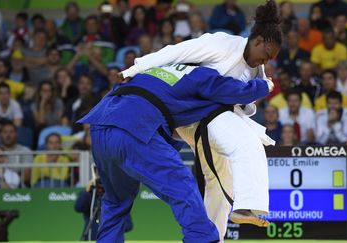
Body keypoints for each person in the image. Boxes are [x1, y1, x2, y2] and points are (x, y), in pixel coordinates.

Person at [117, 1, 282, 239]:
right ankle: (245, 206)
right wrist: (133, 69)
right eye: (266, 56)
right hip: (191, 111)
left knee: (221, 179)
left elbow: (245, 105)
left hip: (213, 118)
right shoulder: (220, 44)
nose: (265, 63)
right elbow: (174, 52)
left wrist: (254, 94)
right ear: (257, 41)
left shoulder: (258, 71)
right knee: (246, 144)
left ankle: (212, 237)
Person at [78, 64, 272, 243]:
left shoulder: (151, 68)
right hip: (136, 127)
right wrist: (264, 85)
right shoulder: (199, 72)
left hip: (100, 125)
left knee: (115, 201)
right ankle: (203, 239)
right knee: (182, 185)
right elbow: (236, 91)